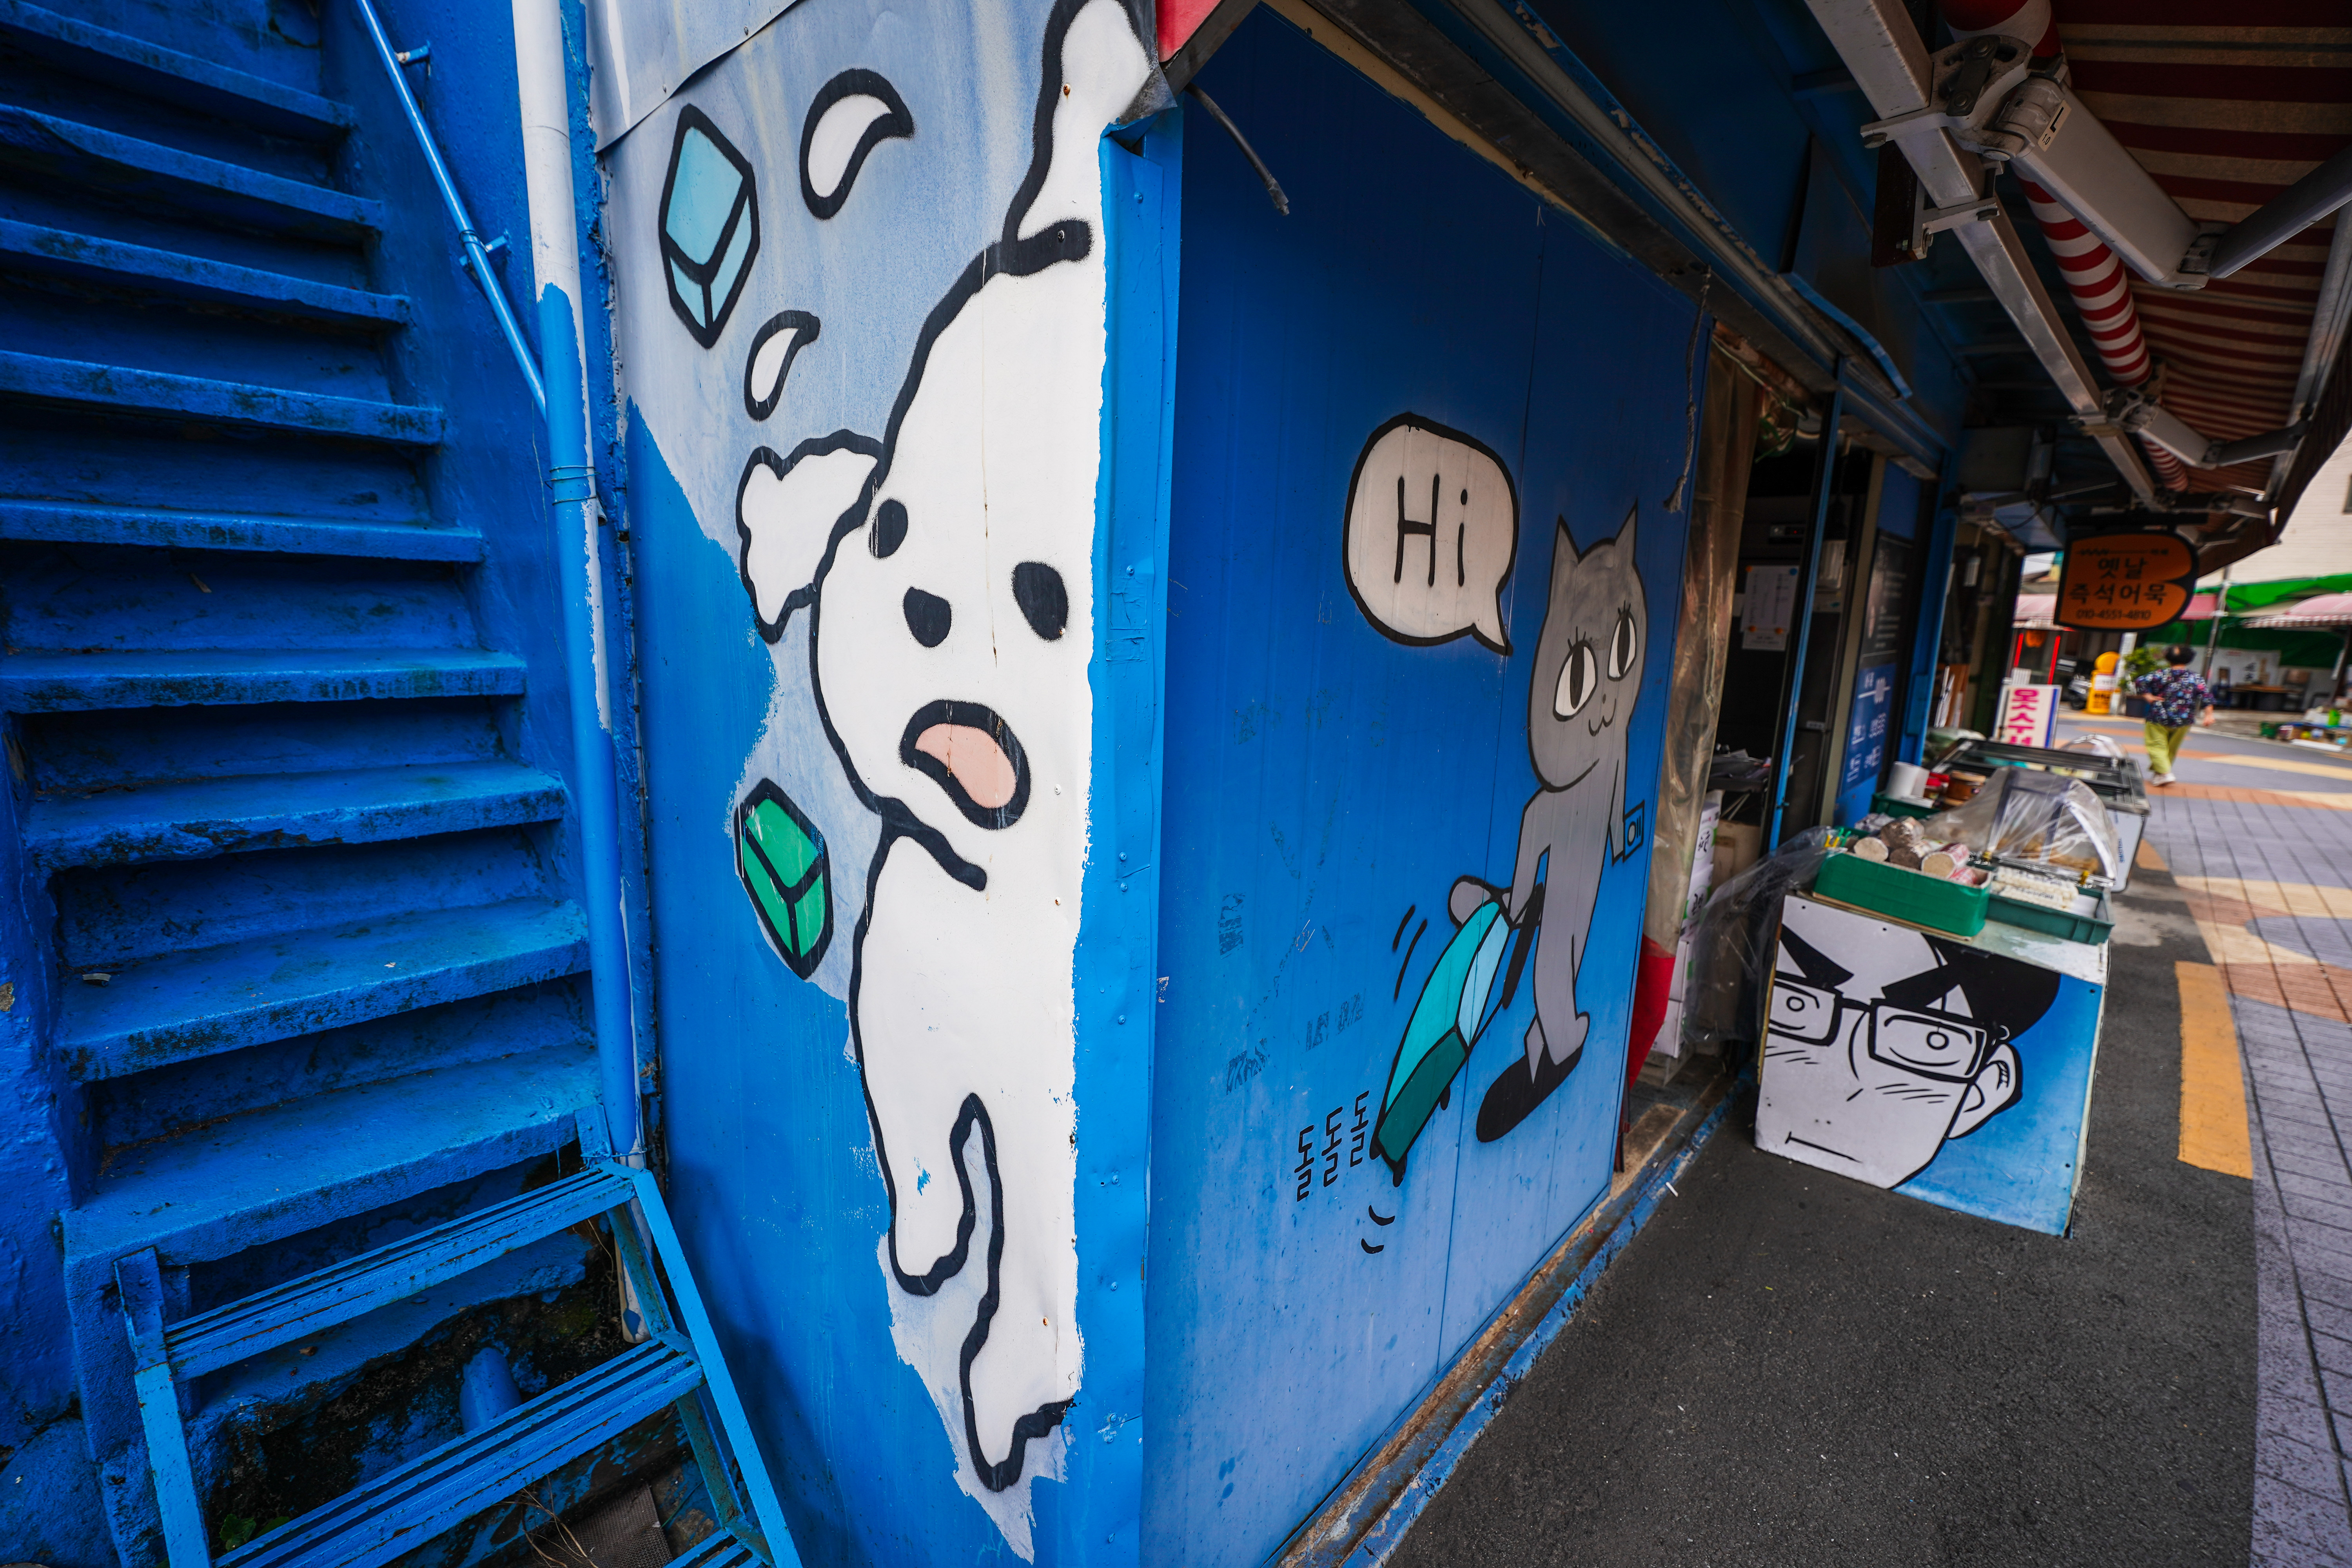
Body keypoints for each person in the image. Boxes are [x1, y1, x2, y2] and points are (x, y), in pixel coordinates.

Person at [2134, 644, 2213, 786]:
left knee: (2157, 746)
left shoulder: (2160, 674)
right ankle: (2160, 774)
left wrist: (2148, 696)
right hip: (2184, 719)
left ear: (2168, 659)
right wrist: (2209, 715)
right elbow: (2206, 696)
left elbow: (2140, 681)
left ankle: (2165, 773)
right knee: (2171, 749)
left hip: (2159, 716)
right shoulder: (2195, 678)